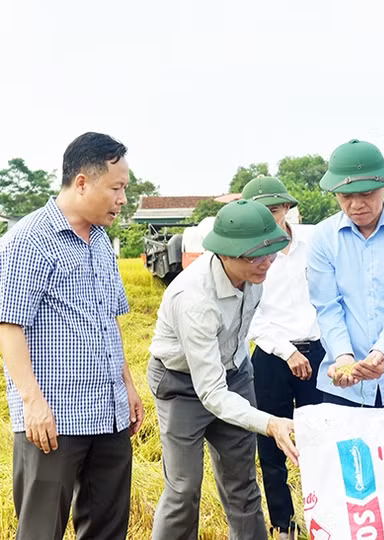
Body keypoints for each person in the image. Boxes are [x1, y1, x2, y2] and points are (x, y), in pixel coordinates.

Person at [0, 132, 144, 539]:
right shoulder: (29, 241)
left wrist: (127, 385)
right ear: (82, 182)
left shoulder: (101, 241)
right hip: (54, 419)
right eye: (116, 188)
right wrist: (33, 403)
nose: (122, 199)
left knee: (106, 527)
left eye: (125, 189)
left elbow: (109, 320)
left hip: (108, 413)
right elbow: (9, 325)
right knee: (42, 529)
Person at [148, 199, 297, 540]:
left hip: (234, 372)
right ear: (225, 254)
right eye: (255, 256)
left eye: (271, 252)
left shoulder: (256, 274)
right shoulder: (195, 299)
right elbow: (210, 392)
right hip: (181, 384)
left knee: (242, 482)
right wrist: (270, 423)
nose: (266, 263)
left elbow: (239, 336)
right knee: (183, 489)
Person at [307, 139, 384, 517]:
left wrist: (379, 354)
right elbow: (328, 308)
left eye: (366, 194)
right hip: (343, 386)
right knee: (351, 490)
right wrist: (345, 358)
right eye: (346, 196)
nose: (357, 205)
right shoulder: (323, 239)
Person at [243, 176, 323, 539]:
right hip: (273, 357)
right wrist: (286, 350)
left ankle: (323, 519)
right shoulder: (245, 252)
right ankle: (283, 525)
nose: (271, 217)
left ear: (287, 208)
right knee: (273, 443)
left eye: (275, 209)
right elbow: (250, 315)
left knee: (320, 438)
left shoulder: (315, 242)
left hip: (318, 352)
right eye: (262, 211)